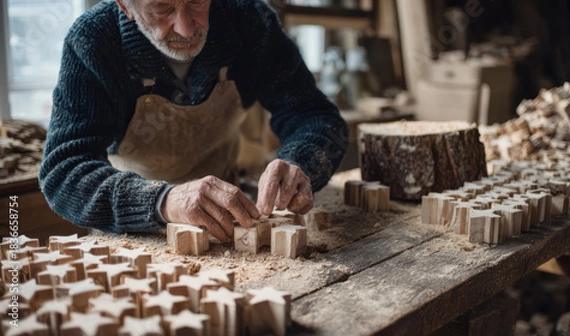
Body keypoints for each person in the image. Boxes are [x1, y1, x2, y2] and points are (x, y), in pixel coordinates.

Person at [39, 0, 348, 242]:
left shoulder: (250, 22)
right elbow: (64, 171)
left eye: (197, 2)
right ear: (125, 5)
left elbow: (315, 115)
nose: (186, 29)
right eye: (162, 8)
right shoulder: (94, 40)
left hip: (231, 219)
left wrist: (302, 162)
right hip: (135, 232)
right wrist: (162, 201)